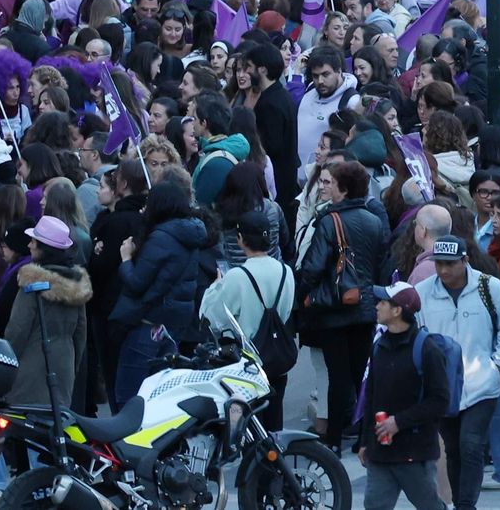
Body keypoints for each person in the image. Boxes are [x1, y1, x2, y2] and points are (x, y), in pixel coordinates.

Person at [414, 236, 500, 510]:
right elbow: (416, 334)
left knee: (471, 445)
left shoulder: (489, 287)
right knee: (453, 448)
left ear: (465, 261)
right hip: (443, 387)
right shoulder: (422, 292)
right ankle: (461, 503)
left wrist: (497, 364)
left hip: (482, 384)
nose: (443, 270)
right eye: (439, 264)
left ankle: (466, 506)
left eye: (450, 264)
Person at [296, 159, 385, 450]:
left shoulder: (329, 221)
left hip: (333, 309)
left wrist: (300, 296)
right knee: (361, 376)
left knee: (337, 376)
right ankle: (364, 438)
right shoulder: (374, 221)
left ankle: (333, 439)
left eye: (331, 183)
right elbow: (379, 265)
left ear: (344, 189)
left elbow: (313, 267)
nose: (327, 187)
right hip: (366, 307)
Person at [108, 180, 207, 411]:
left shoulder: (161, 237)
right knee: (159, 390)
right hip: (176, 321)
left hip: (150, 322)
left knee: (128, 393)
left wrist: (126, 259)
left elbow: (136, 283)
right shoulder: (190, 233)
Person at [198, 210, 296, 430]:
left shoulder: (237, 276)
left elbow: (210, 316)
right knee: (274, 423)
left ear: (241, 239)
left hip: (248, 364)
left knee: (251, 427)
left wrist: (215, 286)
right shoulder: (286, 271)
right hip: (278, 357)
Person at [360, 283, 450, 510]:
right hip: (381, 454)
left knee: (430, 507)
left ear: (397, 310)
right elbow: (370, 397)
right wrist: (365, 442)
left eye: (382, 302)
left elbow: (440, 400)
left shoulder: (427, 349)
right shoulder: (378, 346)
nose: (377, 306)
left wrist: (398, 422)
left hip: (415, 453)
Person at [5, 215, 92, 408]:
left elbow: (17, 331)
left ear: (43, 248)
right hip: (64, 368)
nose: (29, 245)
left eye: (33, 241)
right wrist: (73, 366)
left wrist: (7, 366)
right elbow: (80, 334)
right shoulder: (77, 285)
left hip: (30, 370)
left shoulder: (32, 284)